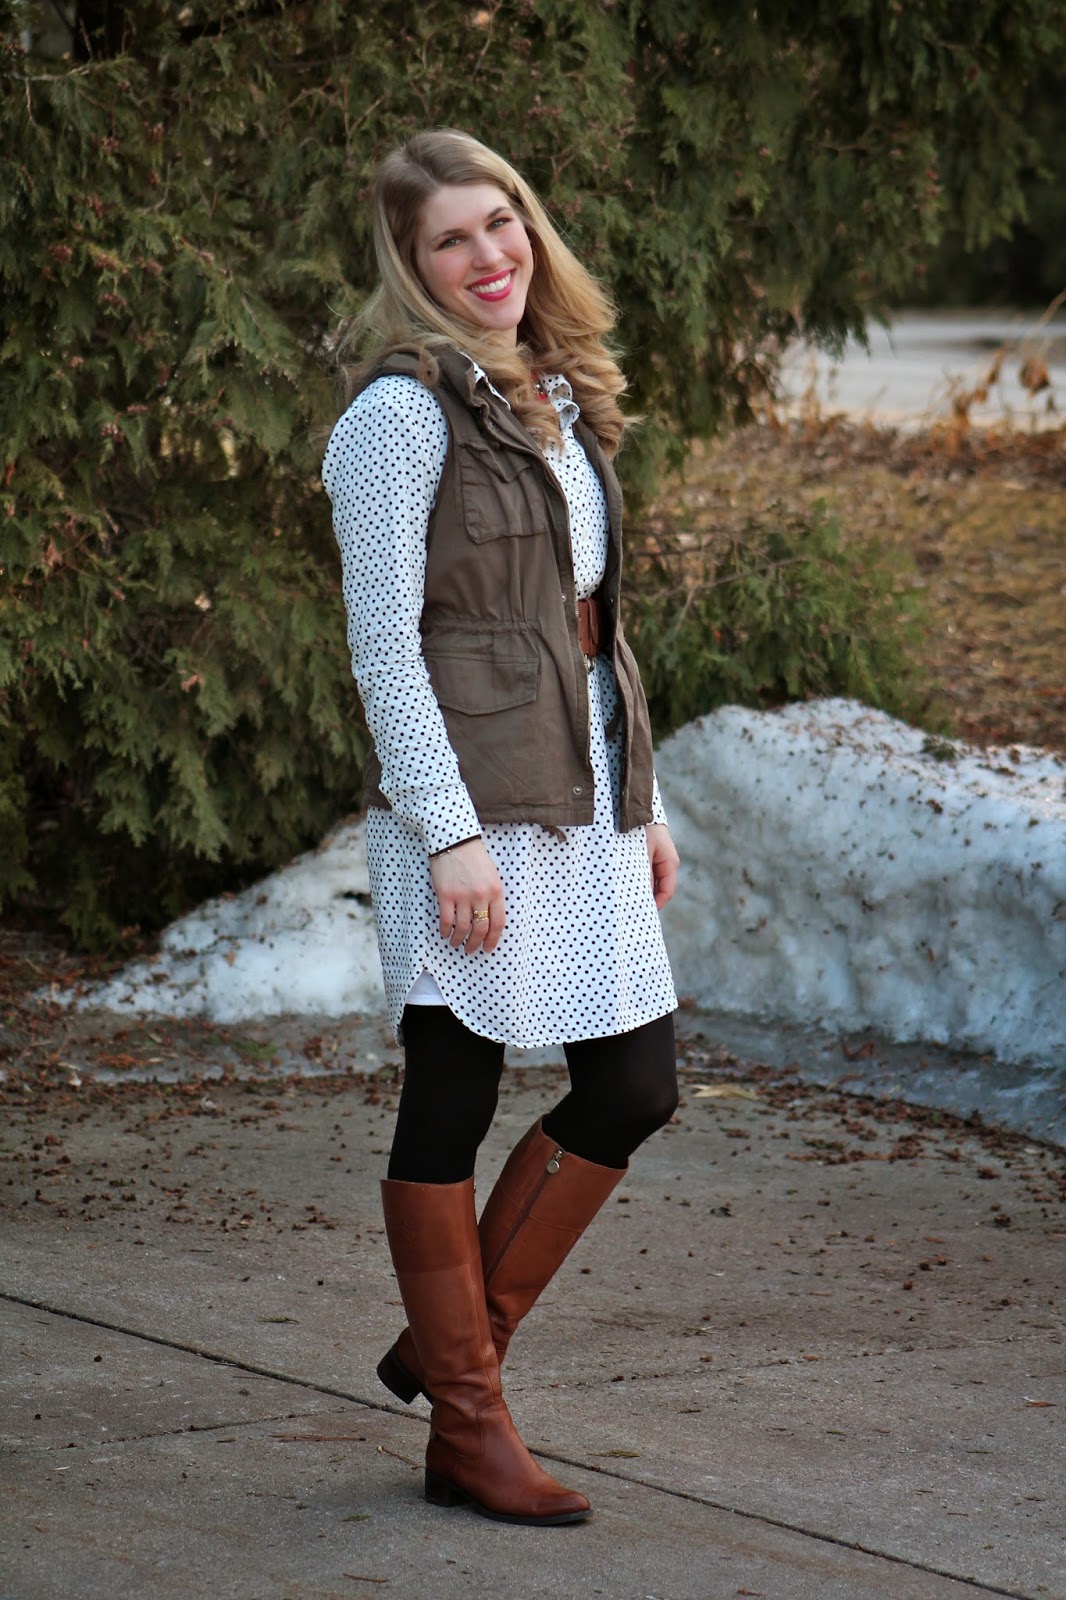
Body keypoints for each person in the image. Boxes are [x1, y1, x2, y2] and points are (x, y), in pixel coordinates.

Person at [322, 129, 680, 1528]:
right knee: (453, 1093)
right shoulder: (399, 417)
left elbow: (589, 630)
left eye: (500, 223)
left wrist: (644, 803)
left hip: (580, 790)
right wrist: (446, 833)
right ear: (409, 268)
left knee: (632, 1085)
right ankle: (469, 1422)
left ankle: (443, 1352)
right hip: (467, 807)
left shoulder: (552, 391)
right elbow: (383, 645)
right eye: (450, 241)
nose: (489, 257)